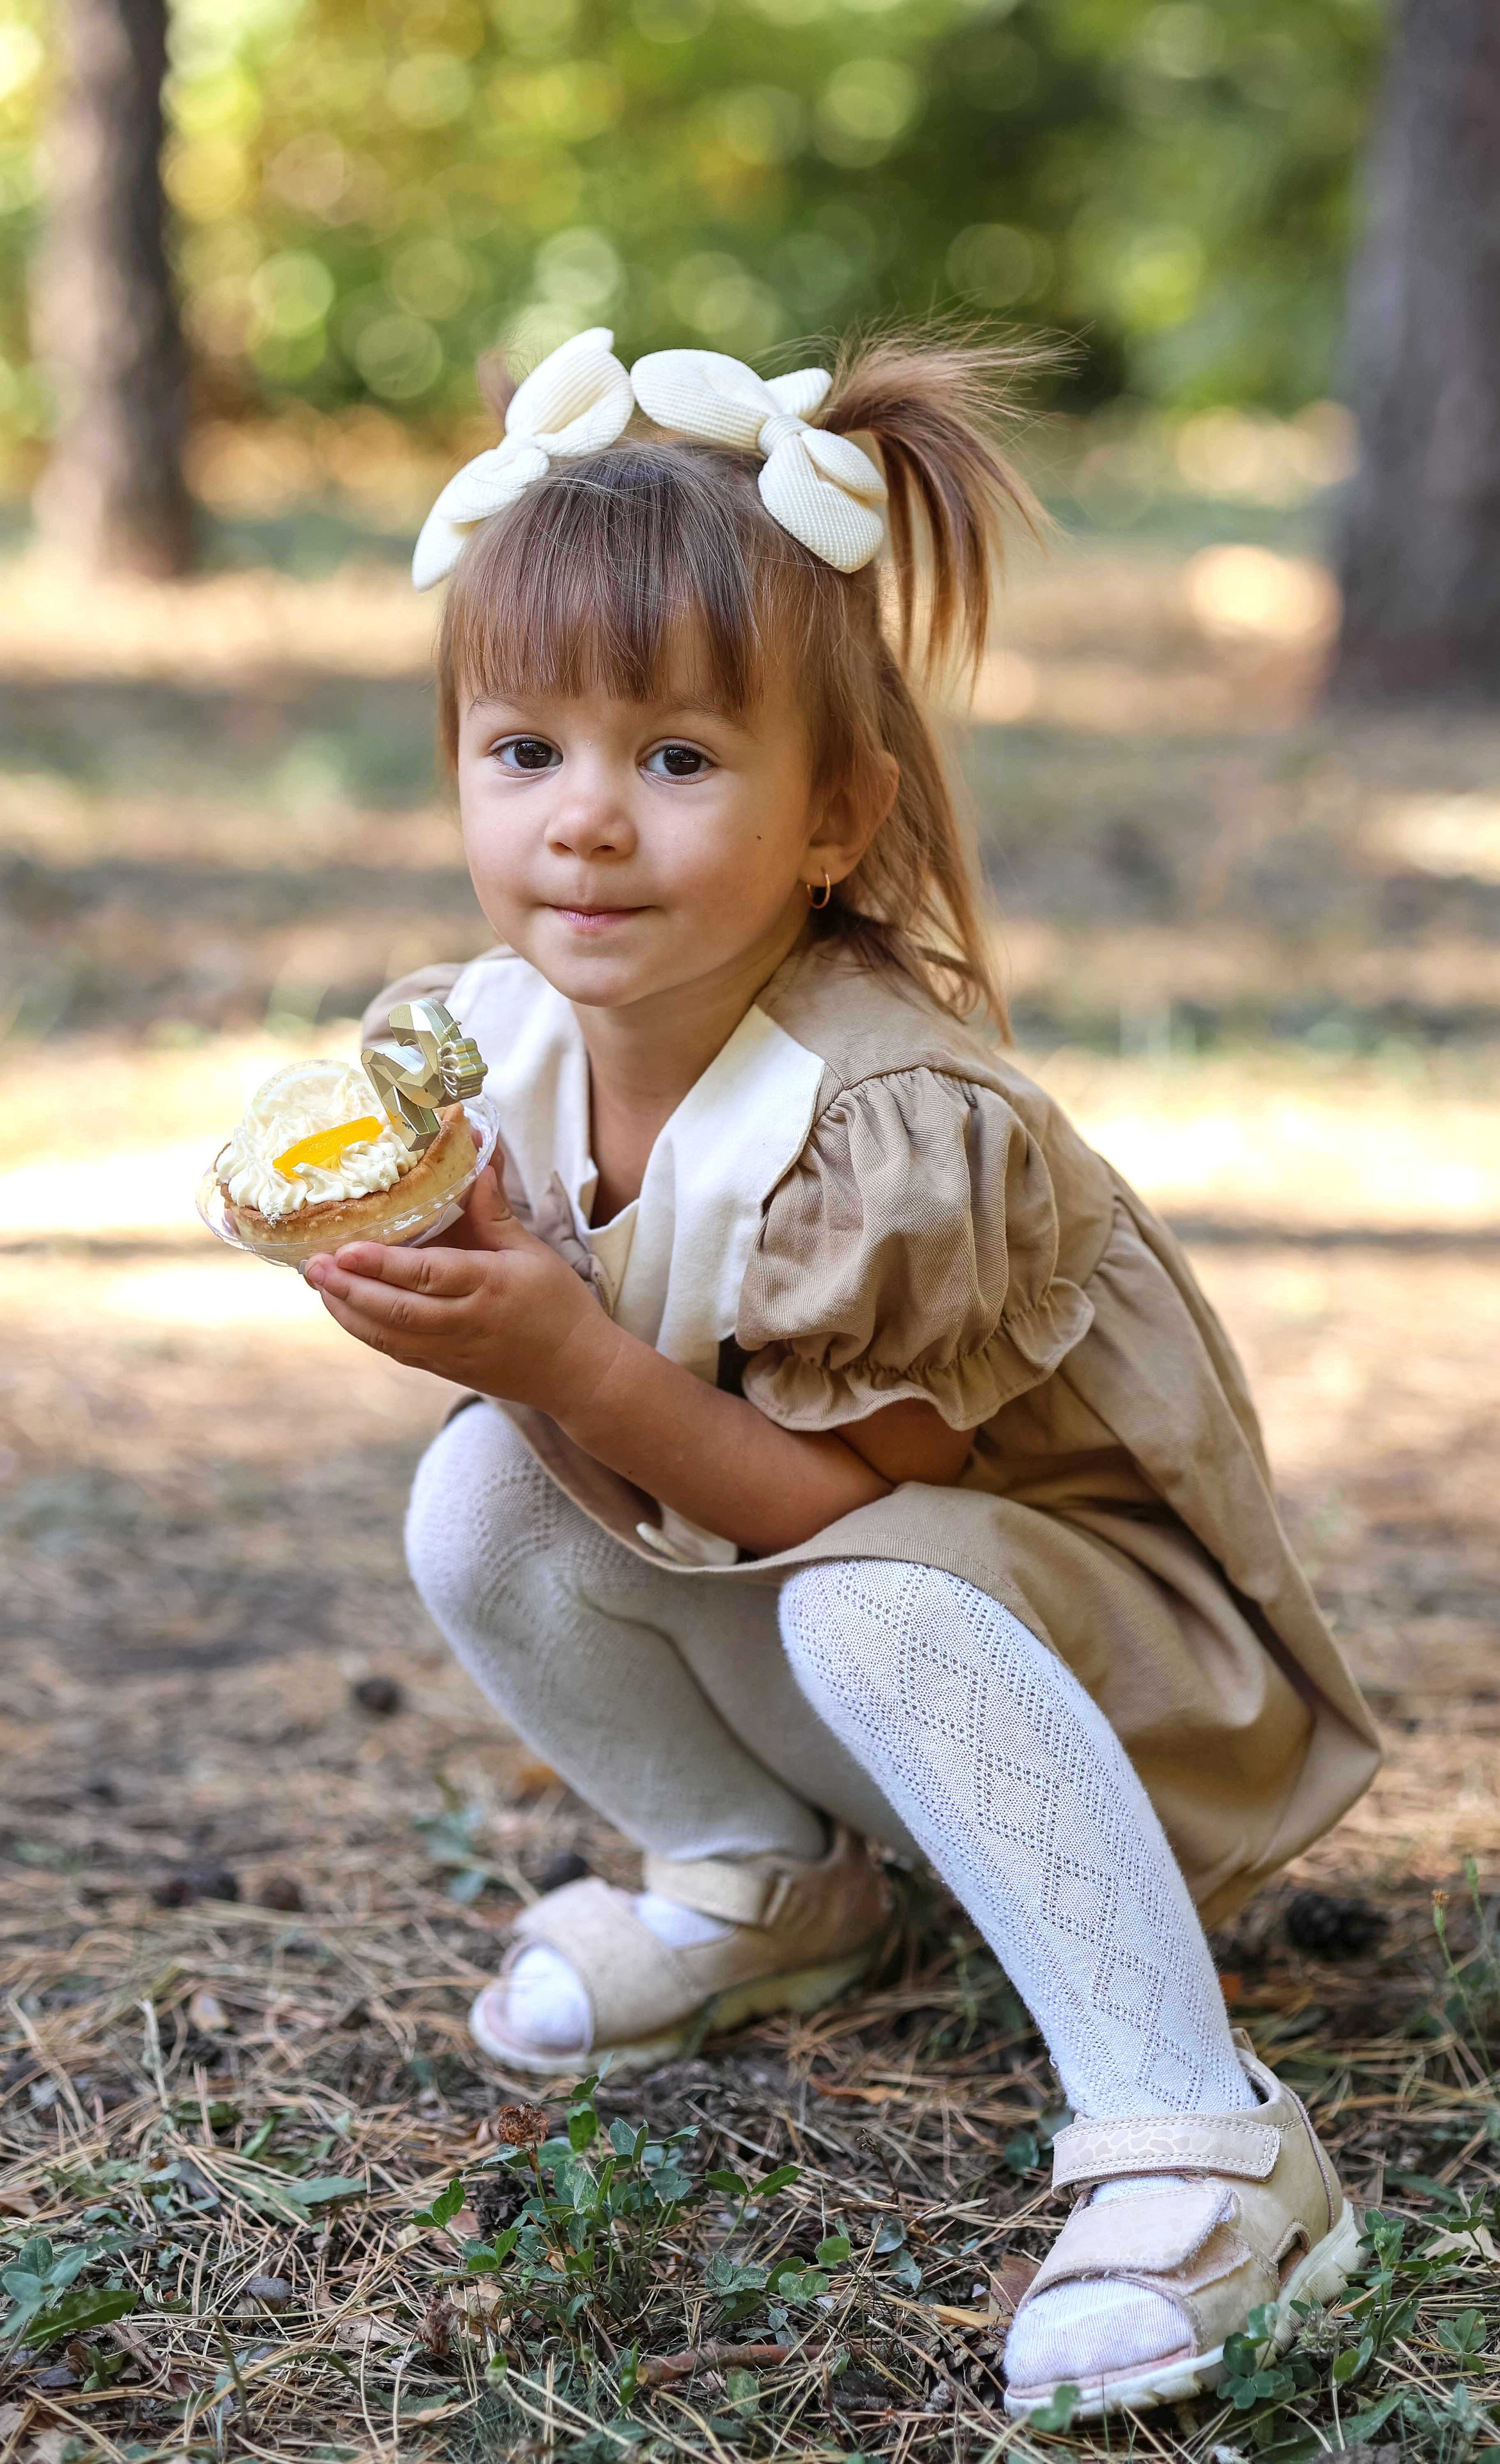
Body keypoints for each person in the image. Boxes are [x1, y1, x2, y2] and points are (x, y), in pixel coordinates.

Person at [304, 326, 1380, 2422]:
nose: (586, 823)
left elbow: (847, 1513)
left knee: (857, 1589)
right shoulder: (485, 1050)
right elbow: (613, 1453)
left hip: (1098, 1700)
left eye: (677, 760)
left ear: (836, 814)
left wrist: (559, 1351)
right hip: (835, 1666)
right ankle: (762, 1881)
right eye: (522, 749)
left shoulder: (892, 1127)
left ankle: (1207, 2136)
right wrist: (463, 1312)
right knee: (478, 1488)